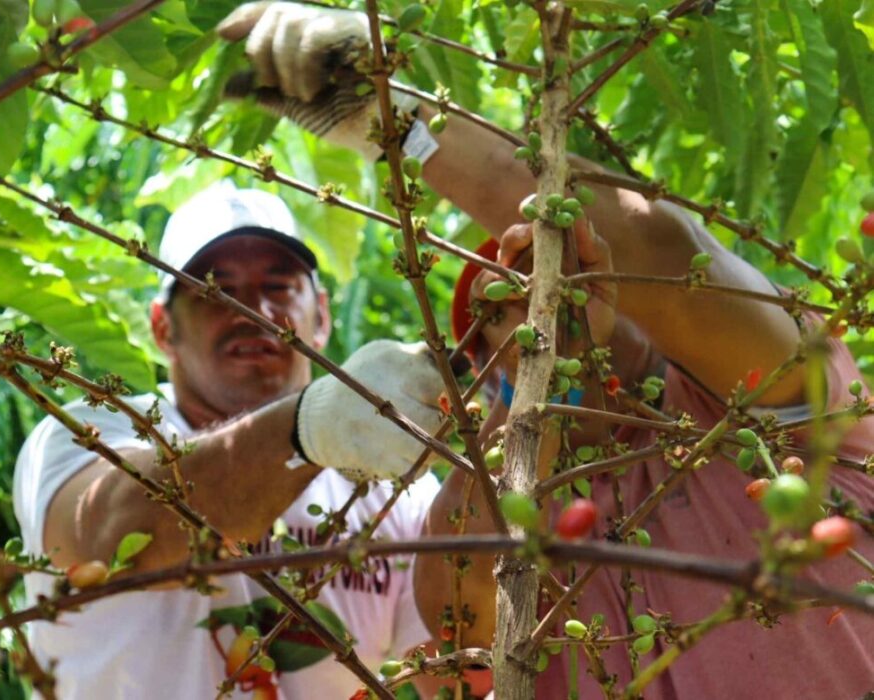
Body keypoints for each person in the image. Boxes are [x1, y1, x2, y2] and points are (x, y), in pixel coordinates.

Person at [214, 3, 874, 698]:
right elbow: (464, 617)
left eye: (558, 265)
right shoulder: (499, 502)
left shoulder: (756, 411)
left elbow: (673, 260)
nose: (540, 293)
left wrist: (397, 119)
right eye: (501, 308)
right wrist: (529, 403)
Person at [13, 181, 457, 699]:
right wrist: (307, 428)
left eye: (278, 286)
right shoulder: (86, 435)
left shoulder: (395, 486)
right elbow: (112, 535)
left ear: (322, 317)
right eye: (213, 290)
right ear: (162, 328)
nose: (254, 312)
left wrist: (508, 400)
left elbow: (457, 664)